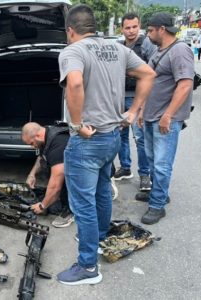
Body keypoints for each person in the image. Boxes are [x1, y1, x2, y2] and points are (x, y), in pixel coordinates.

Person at [56, 4, 155, 285]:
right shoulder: (118, 49)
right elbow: (149, 74)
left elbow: (75, 85)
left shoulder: (73, 51)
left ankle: (88, 267)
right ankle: (98, 237)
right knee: (100, 190)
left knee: (83, 204)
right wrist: (133, 111)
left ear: (71, 30)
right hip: (112, 136)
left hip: (88, 140)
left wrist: (76, 124)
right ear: (93, 27)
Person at [136, 13, 194, 225]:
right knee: (152, 160)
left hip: (165, 119)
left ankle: (157, 205)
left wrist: (168, 115)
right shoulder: (159, 51)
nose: (147, 34)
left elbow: (185, 84)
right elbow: (150, 83)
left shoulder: (180, 51)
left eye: (150, 30)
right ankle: (159, 193)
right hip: (152, 116)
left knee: (161, 164)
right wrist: (142, 110)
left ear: (162, 29)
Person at [114, 13, 157, 192]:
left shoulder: (146, 44)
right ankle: (125, 167)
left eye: (134, 27)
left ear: (139, 27)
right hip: (119, 97)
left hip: (138, 97)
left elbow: (154, 70)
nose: (131, 31)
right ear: (122, 29)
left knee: (140, 138)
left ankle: (145, 174)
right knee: (120, 135)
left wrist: (145, 101)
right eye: (127, 27)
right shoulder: (118, 46)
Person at [21, 122, 73, 228]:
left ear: (38, 136)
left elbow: (56, 184)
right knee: (52, 202)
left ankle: (71, 211)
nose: (32, 147)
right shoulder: (46, 134)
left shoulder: (58, 144)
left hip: (86, 170)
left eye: (31, 143)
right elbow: (42, 156)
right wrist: (32, 175)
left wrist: (42, 206)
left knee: (62, 181)